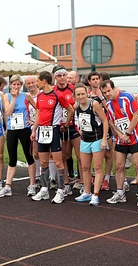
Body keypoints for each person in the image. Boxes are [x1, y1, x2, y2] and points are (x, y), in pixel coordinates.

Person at [100, 80, 138, 207]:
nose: (107, 94)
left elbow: (136, 115)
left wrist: (127, 133)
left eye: (109, 91)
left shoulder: (127, 97)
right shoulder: (108, 104)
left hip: (136, 136)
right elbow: (110, 122)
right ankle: (120, 192)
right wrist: (120, 135)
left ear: (114, 88)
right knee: (119, 165)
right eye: (104, 93)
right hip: (121, 137)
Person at [30, 71, 74, 204]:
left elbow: (70, 109)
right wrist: (34, 130)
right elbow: (38, 113)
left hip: (54, 130)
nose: (36, 83)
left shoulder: (57, 95)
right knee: (43, 162)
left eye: (38, 80)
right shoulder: (40, 96)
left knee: (58, 162)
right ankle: (44, 189)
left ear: (44, 81)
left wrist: (65, 125)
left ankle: (60, 191)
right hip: (41, 131)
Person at [0, 75, 37, 197]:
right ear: (10, 85)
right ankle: (8, 186)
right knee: (12, 158)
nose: (16, 87)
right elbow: (8, 112)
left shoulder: (26, 96)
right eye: (14, 84)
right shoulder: (6, 96)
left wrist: (34, 121)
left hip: (24, 129)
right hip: (12, 130)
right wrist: (13, 99)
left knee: (29, 156)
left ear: (21, 85)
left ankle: (32, 185)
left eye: (19, 84)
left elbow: (38, 109)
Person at [73, 83, 108, 206]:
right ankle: (87, 192)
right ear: (75, 96)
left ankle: (95, 195)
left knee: (97, 167)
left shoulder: (94, 104)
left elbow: (105, 120)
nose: (81, 96)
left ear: (87, 93)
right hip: (85, 139)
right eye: (78, 94)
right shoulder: (76, 106)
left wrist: (104, 139)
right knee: (85, 167)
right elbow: (77, 120)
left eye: (83, 93)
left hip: (97, 138)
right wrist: (79, 129)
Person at [52, 65, 82, 197]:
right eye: (59, 76)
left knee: (81, 156)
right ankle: (66, 184)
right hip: (61, 127)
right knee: (64, 156)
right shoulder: (53, 91)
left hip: (74, 126)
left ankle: (81, 182)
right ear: (55, 77)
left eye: (64, 75)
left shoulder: (74, 90)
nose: (63, 78)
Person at [25, 76, 42, 186]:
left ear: (36, 82)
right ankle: (37, 176)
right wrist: (27, 119)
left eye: (32, 82)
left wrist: (37, 121)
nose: (31, 85)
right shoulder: (25, 96)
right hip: (31, 127)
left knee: (47, 153)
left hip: (43, 125)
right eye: (28, 83)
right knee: (34, 153)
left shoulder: (41, 94)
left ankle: (52, 178)